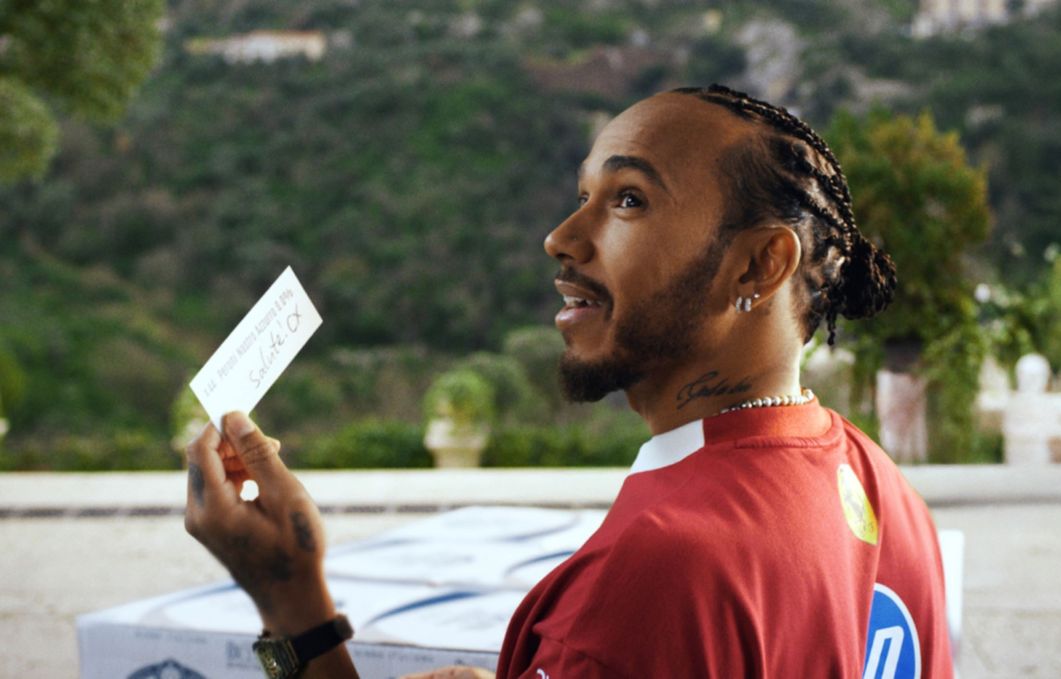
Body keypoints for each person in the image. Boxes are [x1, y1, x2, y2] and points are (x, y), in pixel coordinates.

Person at [185, 84, 953, 678]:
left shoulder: (653, 578)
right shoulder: (881, 487)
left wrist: (290, 602)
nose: (562, 237)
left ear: (758, 263)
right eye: (584, 194)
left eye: (628, 200)